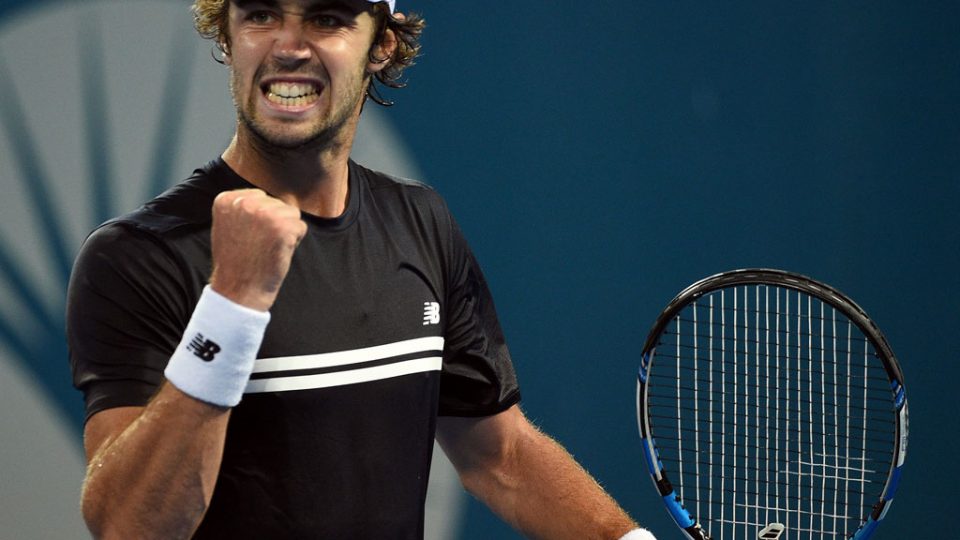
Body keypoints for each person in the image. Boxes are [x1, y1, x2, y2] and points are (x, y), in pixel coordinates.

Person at [66, 1, 657, 538]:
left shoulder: (421, 221)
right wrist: (231, 303)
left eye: (327, 19)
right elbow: (129, 526)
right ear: (227, 32)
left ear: (383, 46)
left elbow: (499, 457)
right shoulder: (137, 255)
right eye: (262, 15)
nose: (289, 46)